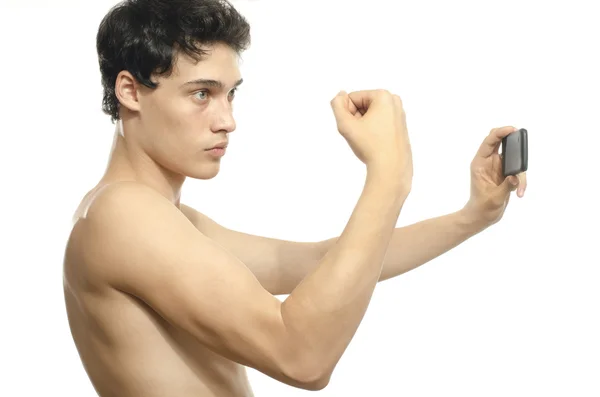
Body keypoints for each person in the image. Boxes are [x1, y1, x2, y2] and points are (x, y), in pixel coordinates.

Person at [63, 0, 528, 396]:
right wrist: (389, 178)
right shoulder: (121, 215)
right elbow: (302, 358)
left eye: (230, 95)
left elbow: (320, 263)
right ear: (130, 91)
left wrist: (473, 217)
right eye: (201, 94)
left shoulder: (161, 218)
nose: (227, 121)